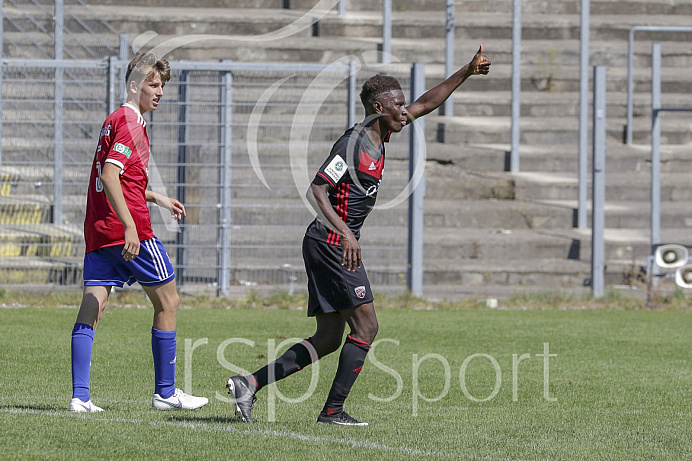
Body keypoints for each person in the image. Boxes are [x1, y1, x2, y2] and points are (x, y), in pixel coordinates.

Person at [226, 45, 491, 426]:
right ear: (379, 108)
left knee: (330, 338)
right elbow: (317, 189)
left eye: (404, 104)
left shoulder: (385, 130)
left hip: (331, 243)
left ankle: (249, 383)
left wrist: (465, 71)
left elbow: (425, 103)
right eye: (398, 105)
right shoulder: (352, 145)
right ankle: (332, 412)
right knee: (367, 326)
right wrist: (346, 234)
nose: (406, 110)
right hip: (332, 243)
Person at [68, 52, 208, 413]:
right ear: (134, 85)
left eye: (162, 86)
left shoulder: (114, 119)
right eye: (153, 84)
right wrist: (131, 224)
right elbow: (109, 176)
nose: (159, 92)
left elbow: (120, 176)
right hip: (129, 230)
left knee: (92, 308)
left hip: (99, 228)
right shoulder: (131, 122)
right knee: (169, 301)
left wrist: (155, 196)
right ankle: (165, 391)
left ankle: (80, 398)